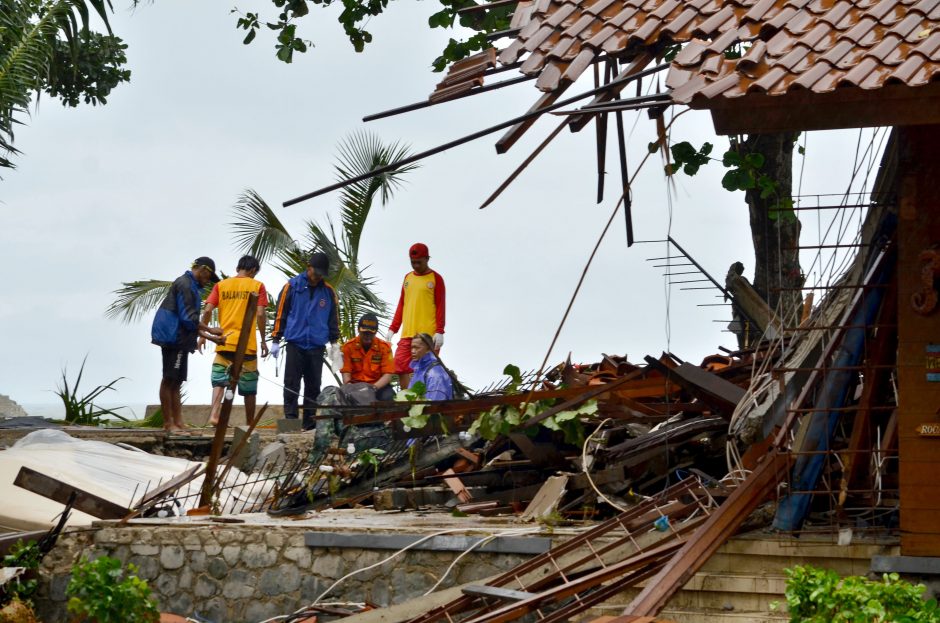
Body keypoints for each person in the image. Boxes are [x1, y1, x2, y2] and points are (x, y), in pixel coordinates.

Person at [151, 257, 224, 433]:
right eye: (208, 278)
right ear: (203, 270)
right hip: (173, 337)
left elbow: (188, 322)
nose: (207, 282)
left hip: (180, 338)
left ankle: (178, 422)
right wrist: (211, 332)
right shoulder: (185, 285)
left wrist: (211, 337)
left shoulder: (190, 286)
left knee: (176, 381)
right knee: (169, 380)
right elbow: (188, 319)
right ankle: (169, 424)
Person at [271, 252, 341, 430]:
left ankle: (310, 423)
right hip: (296, 343)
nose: (318, 276)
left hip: (316, 345)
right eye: (316, 272)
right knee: (291, 384)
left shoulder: (328, 291)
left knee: (313, 385)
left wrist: (334, 343)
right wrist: (276, 339)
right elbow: (281, 313)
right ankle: (291, 421)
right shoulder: (292, 286)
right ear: (308, 267)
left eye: (321, 274)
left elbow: (333, 318)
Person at [198, 255, 269, 428]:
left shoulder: (221, 285)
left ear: (238, 268)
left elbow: (207, 310)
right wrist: (263, 340)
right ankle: (249, 422)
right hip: (247, 345)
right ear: (253, 271)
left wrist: (202, 334)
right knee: (249, 386)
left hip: (224, 341)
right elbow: (260, 314)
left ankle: (214, 415)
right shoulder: (257, 285)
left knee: (219, 379)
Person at [386, 243, 445, 389]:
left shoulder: (436, 278)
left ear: (427, 259)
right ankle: (408, 400)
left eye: (419, 262)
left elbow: (440, 306)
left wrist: (440, 331)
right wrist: (393, 328)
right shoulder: (408, 278)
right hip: (407, 333)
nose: (416, 265)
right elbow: (402, 304)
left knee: (427, 368)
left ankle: (424, 402)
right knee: (399, 365)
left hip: (427, 335)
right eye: (413, 262)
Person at [340, 313, 395, 401]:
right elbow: (346, 373)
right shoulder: (348, 347)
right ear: (358, 330)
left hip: (377, 386)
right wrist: (350, 387)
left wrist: (373, 388)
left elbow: (387, 375)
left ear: (376, 332)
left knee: (388, 397)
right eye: (364, 333)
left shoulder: (385, 348)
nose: (367, 336)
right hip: (355, 387)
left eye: (371, 333)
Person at [409, 333, 454, 400]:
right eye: (412, 347)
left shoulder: (435, 373)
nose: (413, 351)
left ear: (428, 349)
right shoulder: (419, 369)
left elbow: (435, 405)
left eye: (417, 348)